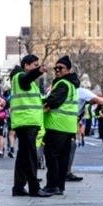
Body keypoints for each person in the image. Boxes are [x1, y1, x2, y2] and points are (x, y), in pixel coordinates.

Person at [9, 54, 50, 197]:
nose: (36, 68)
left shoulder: (26, 81)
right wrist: (39, 71)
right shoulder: (20, 76)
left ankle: (18, 187)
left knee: (23, 156)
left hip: (26, 122)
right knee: (31, 156)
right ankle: (34, 188)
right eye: (34, 65)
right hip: (26, 122)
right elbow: (26, 79)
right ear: (26, 65)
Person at [41, 55, 80, 196]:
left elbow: (53, 101)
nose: (57, 70)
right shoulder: (72, 84)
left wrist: (42, 102)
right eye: (55, 68)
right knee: (63, 158)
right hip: (68, 127)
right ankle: (60, 186)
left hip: (57, 125)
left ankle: (52, 186)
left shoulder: (63, 83)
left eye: (61, 68)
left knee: (52, 157)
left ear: (68, 69)